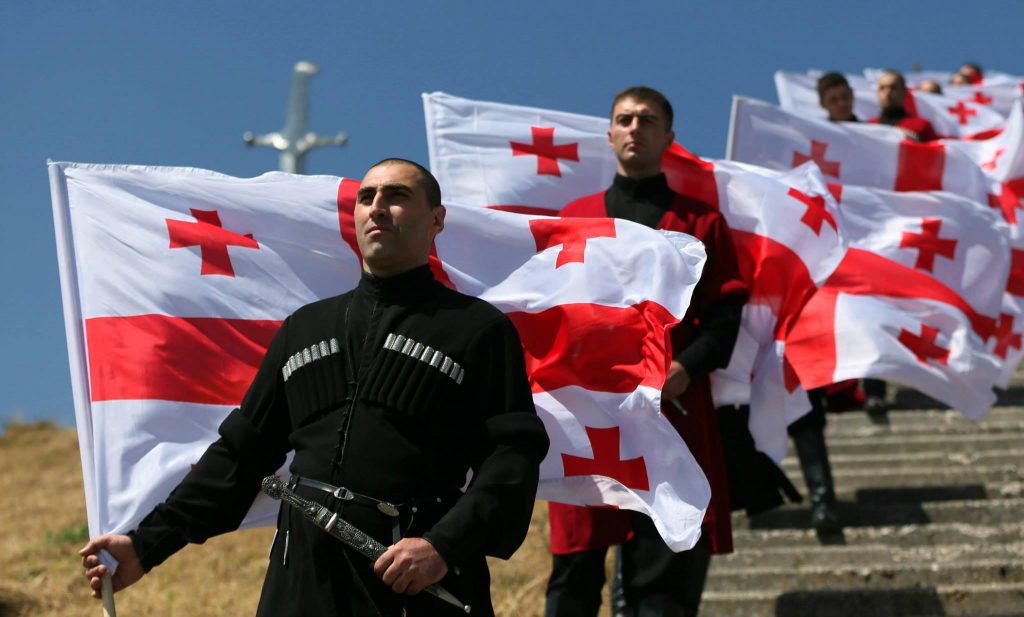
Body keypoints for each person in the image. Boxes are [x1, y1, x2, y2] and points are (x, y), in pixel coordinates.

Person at [79, 158, 550, 617]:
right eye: (367, 198)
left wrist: (442, 547)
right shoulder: (303, 329)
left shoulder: (478, 329)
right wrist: (146, 545)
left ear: (437, 219)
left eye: (398, 196)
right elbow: (240, 457)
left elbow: (512, 456)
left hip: (413, 577)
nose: (378, 207)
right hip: (301, 575)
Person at [545, 86, 749, 617]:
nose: (635, 128)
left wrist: (684, 368)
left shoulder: (701, 223)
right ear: (609, 134)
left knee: (664, 571)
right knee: (575, 569)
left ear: (668, 138)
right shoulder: (573, 220)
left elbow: (726, 317)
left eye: (648, 120)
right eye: (625, 119)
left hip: (672, 414)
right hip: (586, 422)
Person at [870, 70, 939, 142]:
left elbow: (936, 151)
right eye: (882, 88)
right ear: (877, 92)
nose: (887, 92)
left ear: (904, 92)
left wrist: (916, 144)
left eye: (893, 88)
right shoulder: (869, 126)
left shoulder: (921, 125)